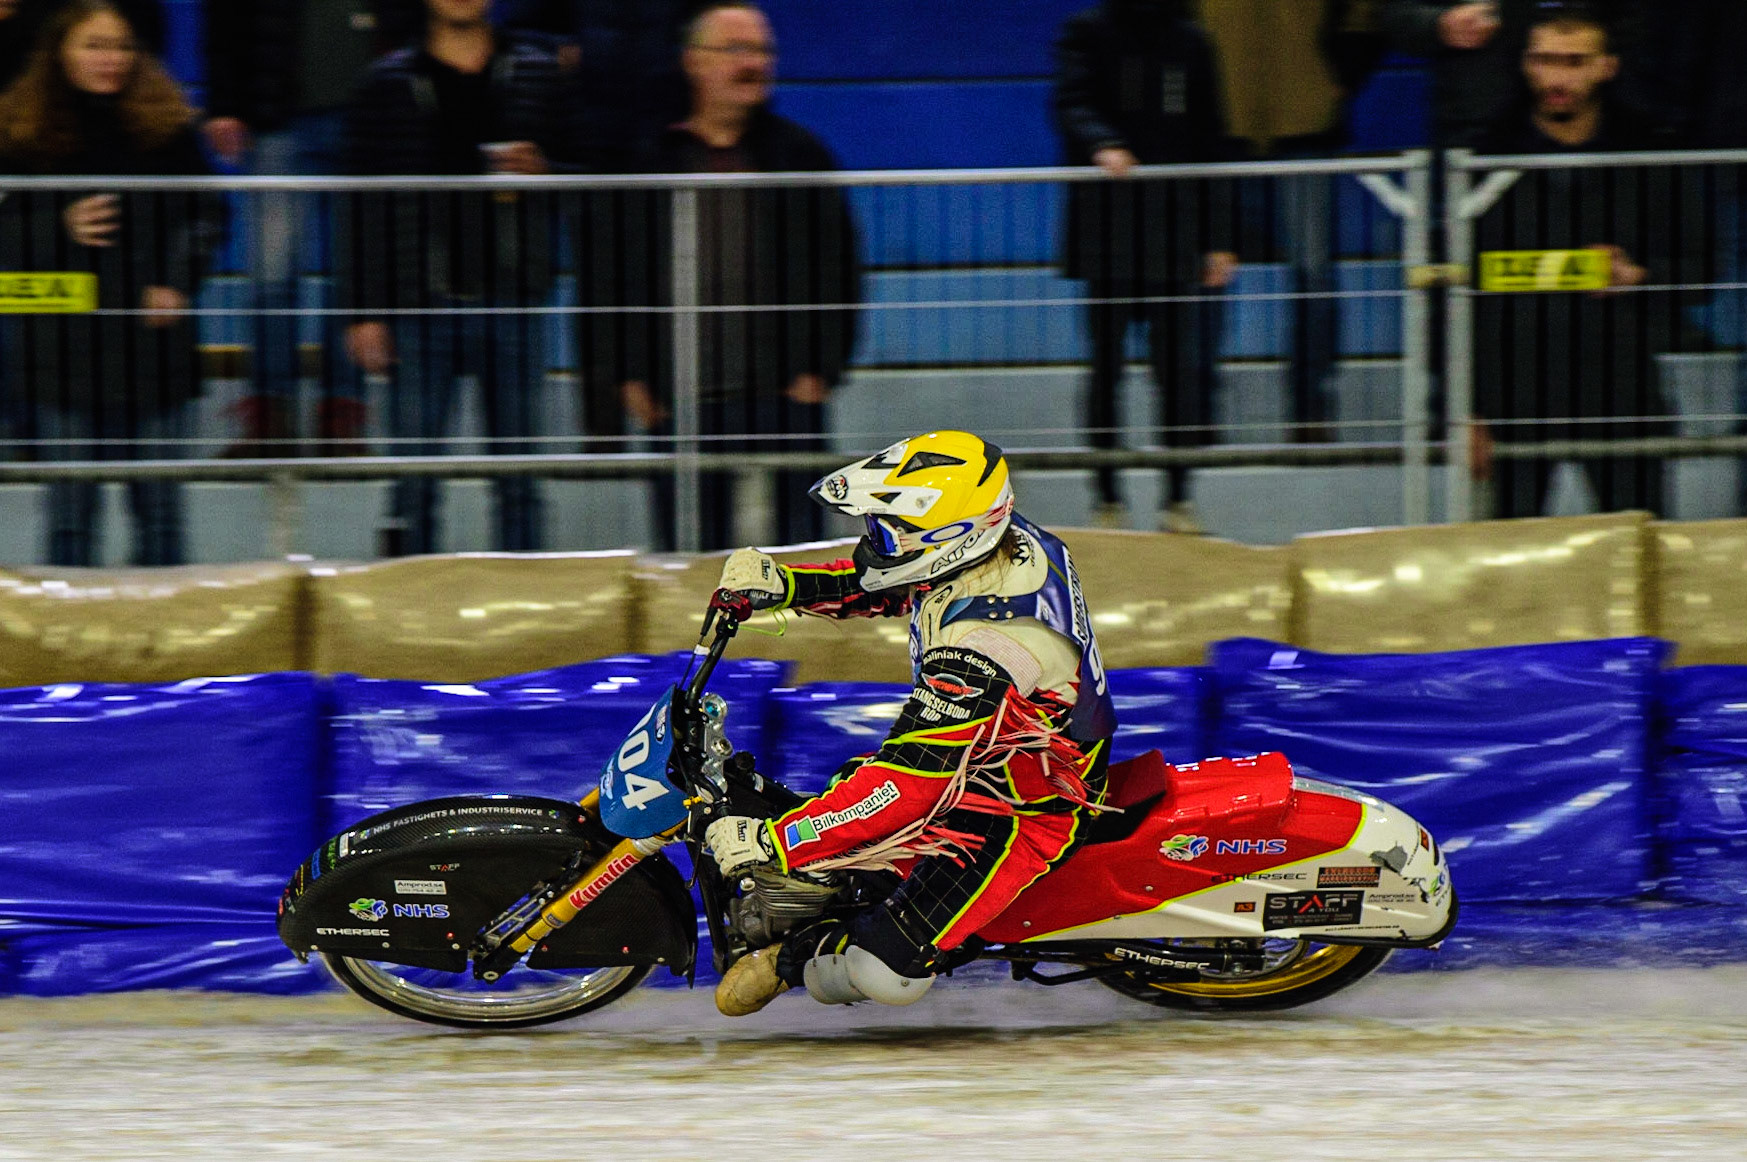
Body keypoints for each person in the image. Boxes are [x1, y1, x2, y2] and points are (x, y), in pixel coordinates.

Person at [701, 431, 1118, 1015]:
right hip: (990, 763)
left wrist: (775, 842)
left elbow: (910, 784)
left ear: (951, 537)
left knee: (883, 969)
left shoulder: (990, 647)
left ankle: (790, 963)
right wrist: (787, 587)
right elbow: (903, 583)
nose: (874, 543)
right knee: (844, 825)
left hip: (1021, 807)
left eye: (886, 532)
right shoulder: (1005, 540)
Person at [604, 2, 861, 550]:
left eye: (763, 51)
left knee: (802, 551)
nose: (753, 65)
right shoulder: (650, 159)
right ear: (694, 62)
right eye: (736, 51)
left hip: (785, 390)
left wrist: (822, 369)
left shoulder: (802, 155)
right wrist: (629, 375)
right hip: (680, 394)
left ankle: (802, 639)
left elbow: (841, 269)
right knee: (690, 554)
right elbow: (613, 272)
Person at [337, 0, 582, 554]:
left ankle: (528, 619)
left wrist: (547, 172)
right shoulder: (386, 83)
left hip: (516, 300)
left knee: (520, 485)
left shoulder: (538, 72)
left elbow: (589, 170)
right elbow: (357, 207)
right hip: (420, 306)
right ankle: (407, 620)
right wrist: (361, 311)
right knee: (413, 488)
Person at [0, 0, 220, 565]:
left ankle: (170, 651)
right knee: (70, 523)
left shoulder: (170, 126)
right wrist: (60, 226)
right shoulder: (18, 133)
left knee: (162, 521)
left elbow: (209, 214)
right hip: (60, 358)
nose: (111, 59)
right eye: (94, 45)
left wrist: (177, 282)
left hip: (154, 353)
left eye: (121, 46)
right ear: (60, 52)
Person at [1468, 3, 1670, 517]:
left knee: (1639, 556)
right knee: (1512, 569)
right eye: (1544, 60)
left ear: (1607, 66)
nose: (1556, 77)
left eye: (1574, 62)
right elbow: (1459, 292)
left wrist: (1638, 275)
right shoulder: (1482, 156)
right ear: (1525, 63)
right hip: (1516, 393)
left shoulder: (1652, 152)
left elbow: (1699, 265)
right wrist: (1465, 412)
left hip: (1622, 390)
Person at [202, 0, 425, 456]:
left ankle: (340, 410)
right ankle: (271, 413)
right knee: (270, 275)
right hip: (277, 118)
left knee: (357, 272)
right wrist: (224, 103)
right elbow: (225, 20)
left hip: (369, 117)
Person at [1054, 0, 1238, 533]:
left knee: (1178, 374)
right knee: (1105, 371)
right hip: (1105, 237)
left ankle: (1178, 501)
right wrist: (1102, 144)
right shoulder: (1085, 31)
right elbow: (1071, 101)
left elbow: (1214, 139)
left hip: (1175, 237)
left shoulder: (1193, 39)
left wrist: (1220, 238)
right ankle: (1106, 501)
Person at [1195, 0, 1386, 443]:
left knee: (1313, 278)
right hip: (1217, 130)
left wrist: (1338, 78)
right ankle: (1195, 416)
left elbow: (1363, 15)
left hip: (1306, 125)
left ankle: (1311, 407)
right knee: (1207, 278)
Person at [1379, 0, 1660, 147]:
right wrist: (1440, 24)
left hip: (1597, 126)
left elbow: (1636, 22)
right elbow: (1396, 15)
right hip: (1480, 123)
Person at [497, 0, 691, 173]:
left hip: (662, 119)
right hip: (586, 116)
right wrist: (559, 46)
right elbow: (516, 26)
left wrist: (675, 57)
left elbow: (702, 20)